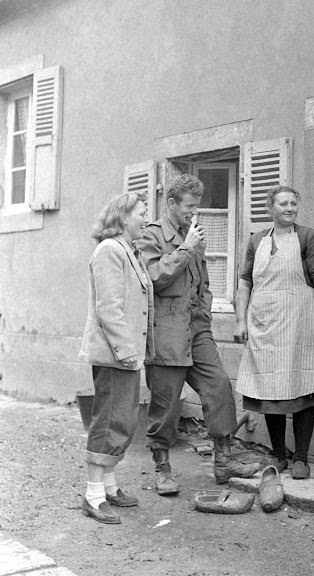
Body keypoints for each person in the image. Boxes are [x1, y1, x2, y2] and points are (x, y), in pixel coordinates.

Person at [138, 175, 260, 495]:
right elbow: (153, 279)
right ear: (171, 203)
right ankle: (163, 468)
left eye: (197, 206)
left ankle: (223, 460)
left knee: (218, 386)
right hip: (166, 333)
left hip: (196, 330)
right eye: (189, 206)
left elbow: (202, 283)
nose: (194, 213)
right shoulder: (152, 236)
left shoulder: (191, 235)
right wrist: (184, 248)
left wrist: (204, 315)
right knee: (165, 405)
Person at [234, 185, 314, 480]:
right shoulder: (256, 241)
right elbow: (244, 284)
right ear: (271, 208)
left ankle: (301, 458)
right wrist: (240, 321)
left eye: (294, 203)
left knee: (302, 389)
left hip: (299, 325)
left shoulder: (307, 238)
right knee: (270, 391)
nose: (290, 208)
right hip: (264, 326)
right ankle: (279, 455)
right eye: (283, 204)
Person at [79, 193, 154, 524]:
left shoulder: (128, 251)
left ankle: (108, 487)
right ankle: (93, 496)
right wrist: (128, 353)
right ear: (123, 218)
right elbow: (109, 309)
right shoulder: (109, 251)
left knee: (121, 421)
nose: (146, 218)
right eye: (141, 213)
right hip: (116, 355)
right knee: (108, 421)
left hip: (125, 354)